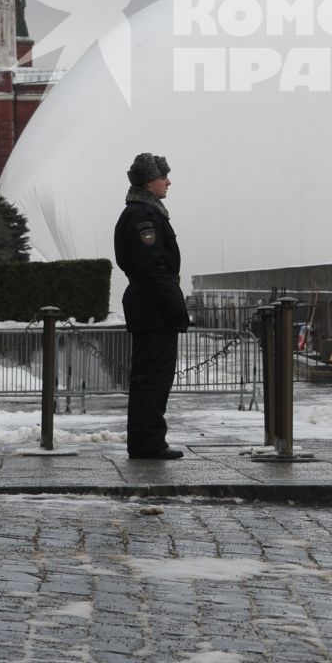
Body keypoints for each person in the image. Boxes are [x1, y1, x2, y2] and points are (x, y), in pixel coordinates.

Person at [114, 152, 189, 459]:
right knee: (154, 379)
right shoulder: (144, 216)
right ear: (149, 181)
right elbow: (154, 267)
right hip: (153, 310)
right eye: (163, 177)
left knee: (149, 378)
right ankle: (149, 443)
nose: (168, 181)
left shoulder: (141, 212)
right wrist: (176, 309)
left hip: (148, 307)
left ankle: (146, 440)